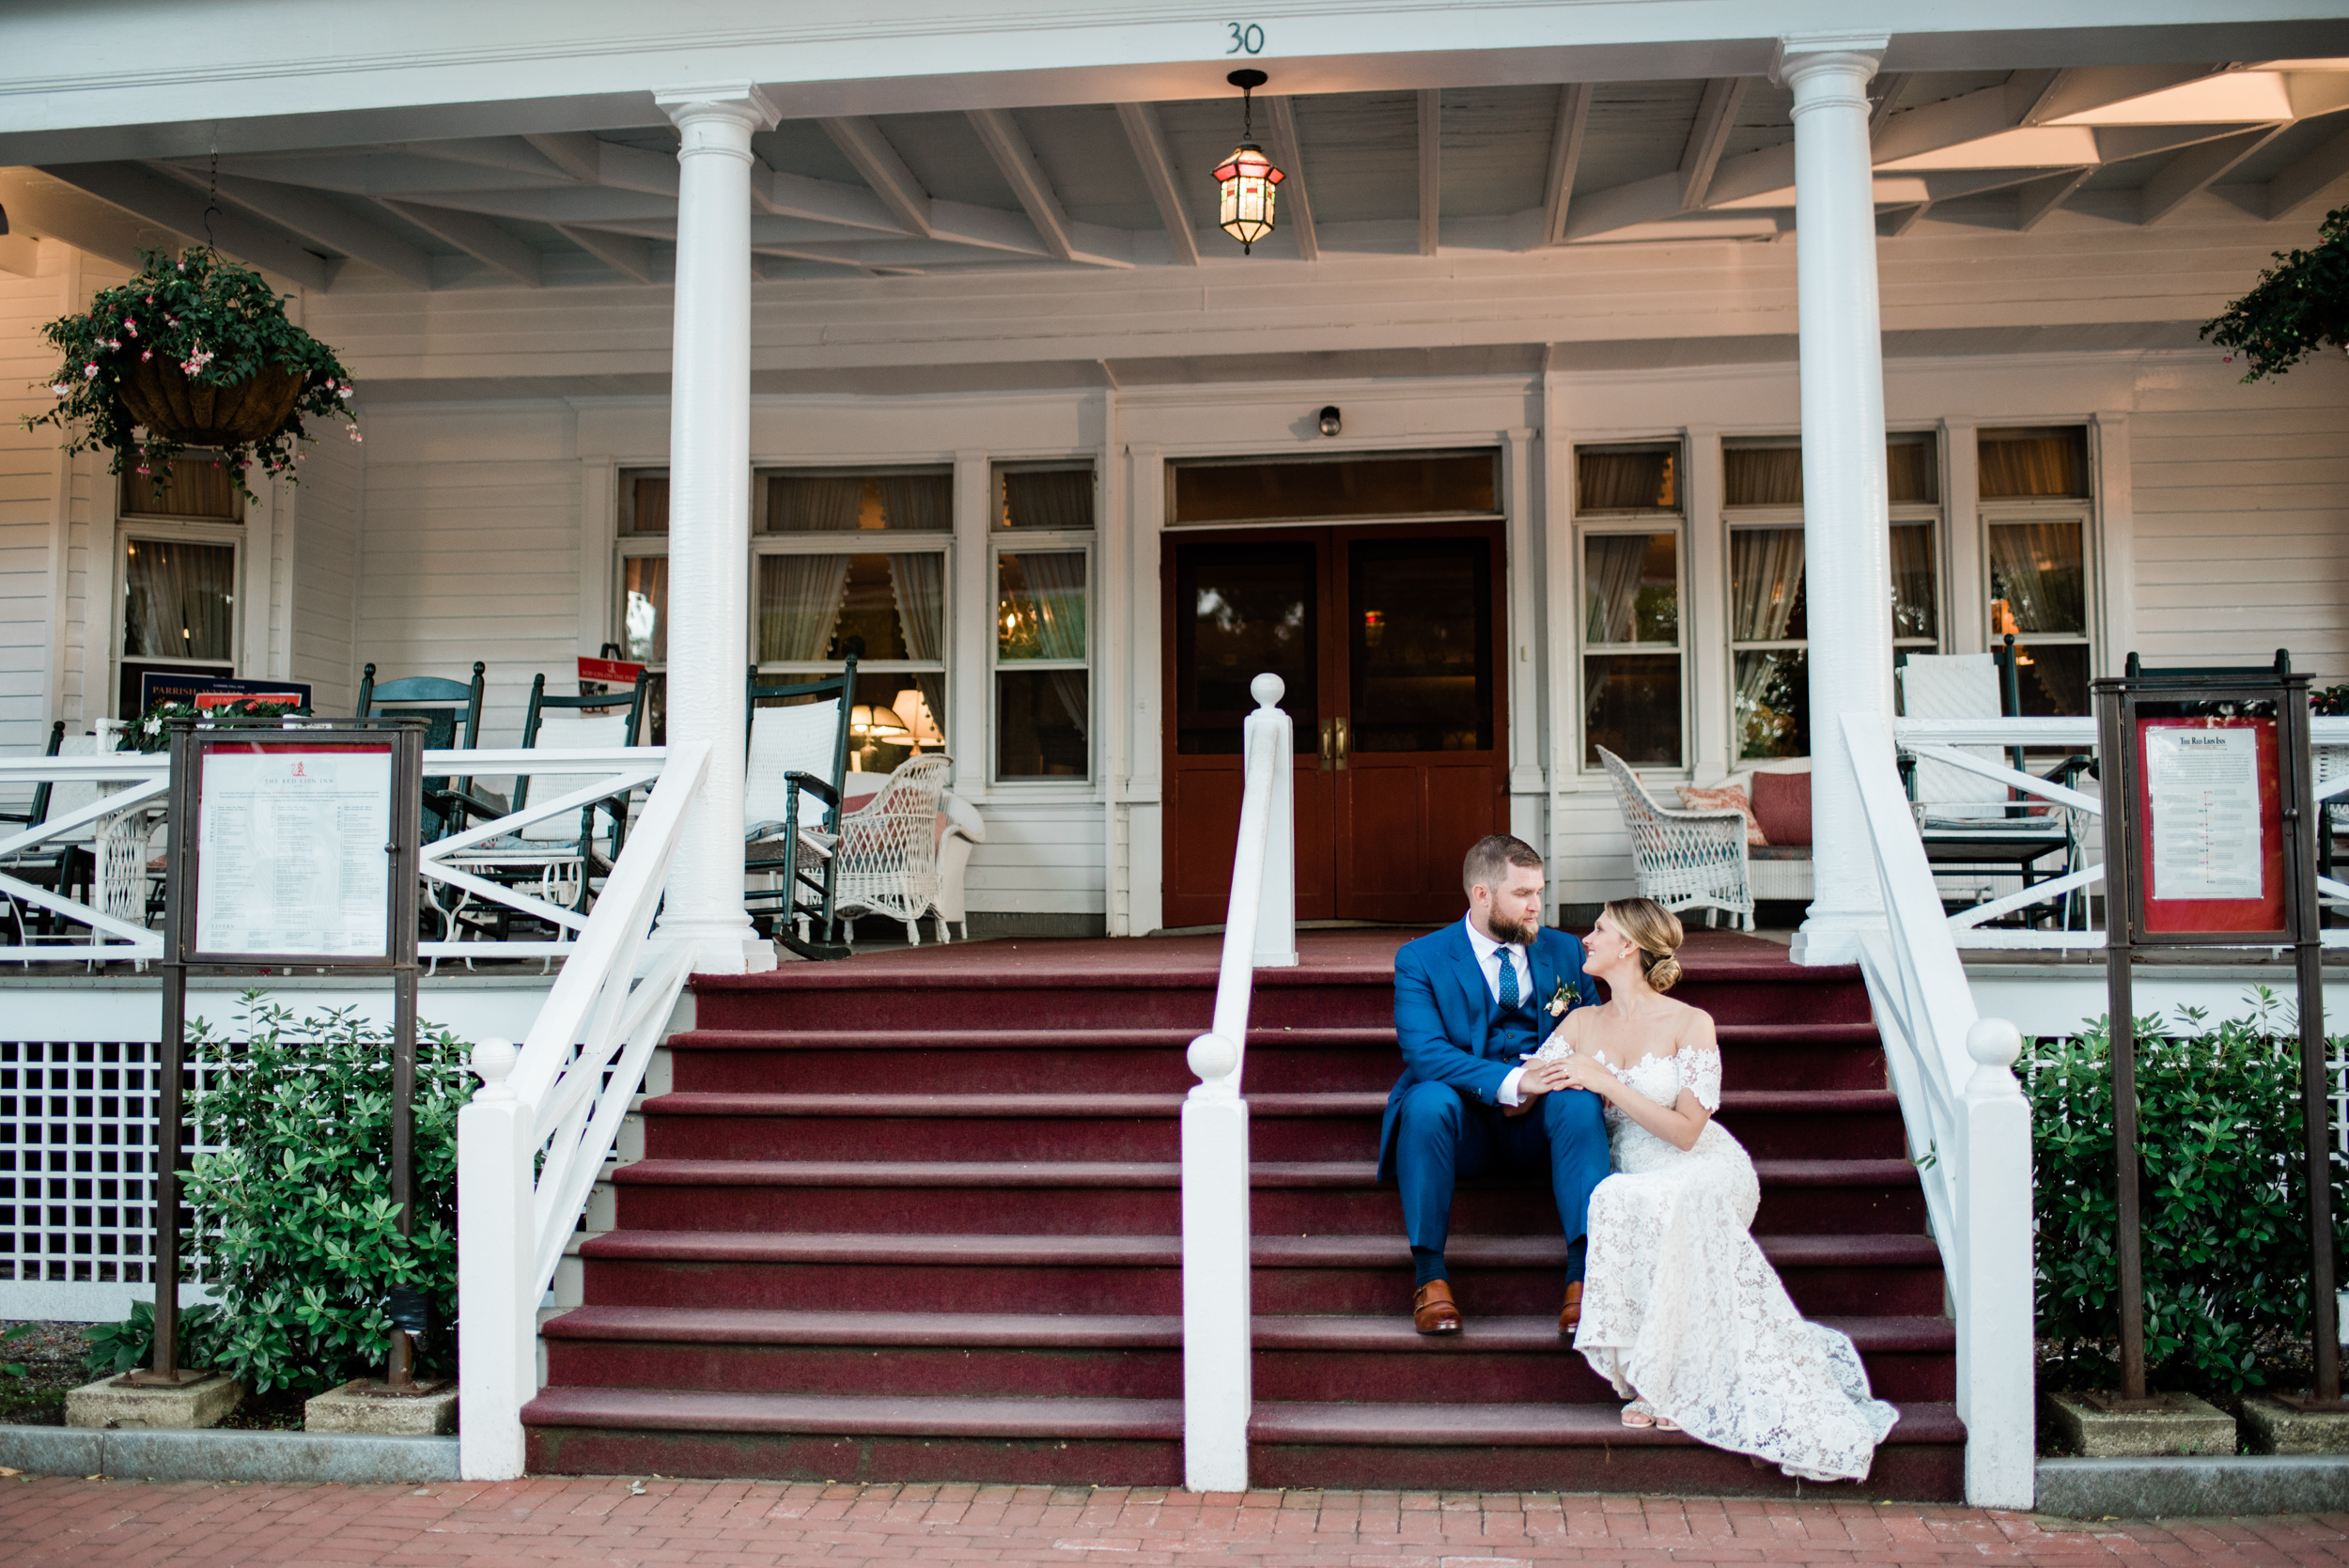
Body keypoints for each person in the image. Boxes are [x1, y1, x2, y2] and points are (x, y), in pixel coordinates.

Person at [1536, 896, 1899, 1483]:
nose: (1587, 937)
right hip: (1637, 1163)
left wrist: (1605, 1081)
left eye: (1599, 929)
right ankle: (1655, 1372)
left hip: (1703, 1163)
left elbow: (1685, 1132)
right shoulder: (1580, 1022)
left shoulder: (1690, 1022)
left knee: (1654, 1200)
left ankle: (1671, 1382)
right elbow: (1536, 1079)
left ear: (1628, 945)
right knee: (1619, 1197)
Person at [1380, 834, 1605, 1336]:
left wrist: (1542, 1082)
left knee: (1578, 1098)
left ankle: (1583, 1278)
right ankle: (1430, 1278)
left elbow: (1593, 1033)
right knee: (1426, 1099)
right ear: (1482, 895)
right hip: (1465, 1125)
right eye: (1522, 894)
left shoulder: (1565, 952)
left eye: (1539, 892)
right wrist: (1512, 1083)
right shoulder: (1422, 959)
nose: (1536, 906)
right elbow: (1426, 1053)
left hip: (1543, 1127)